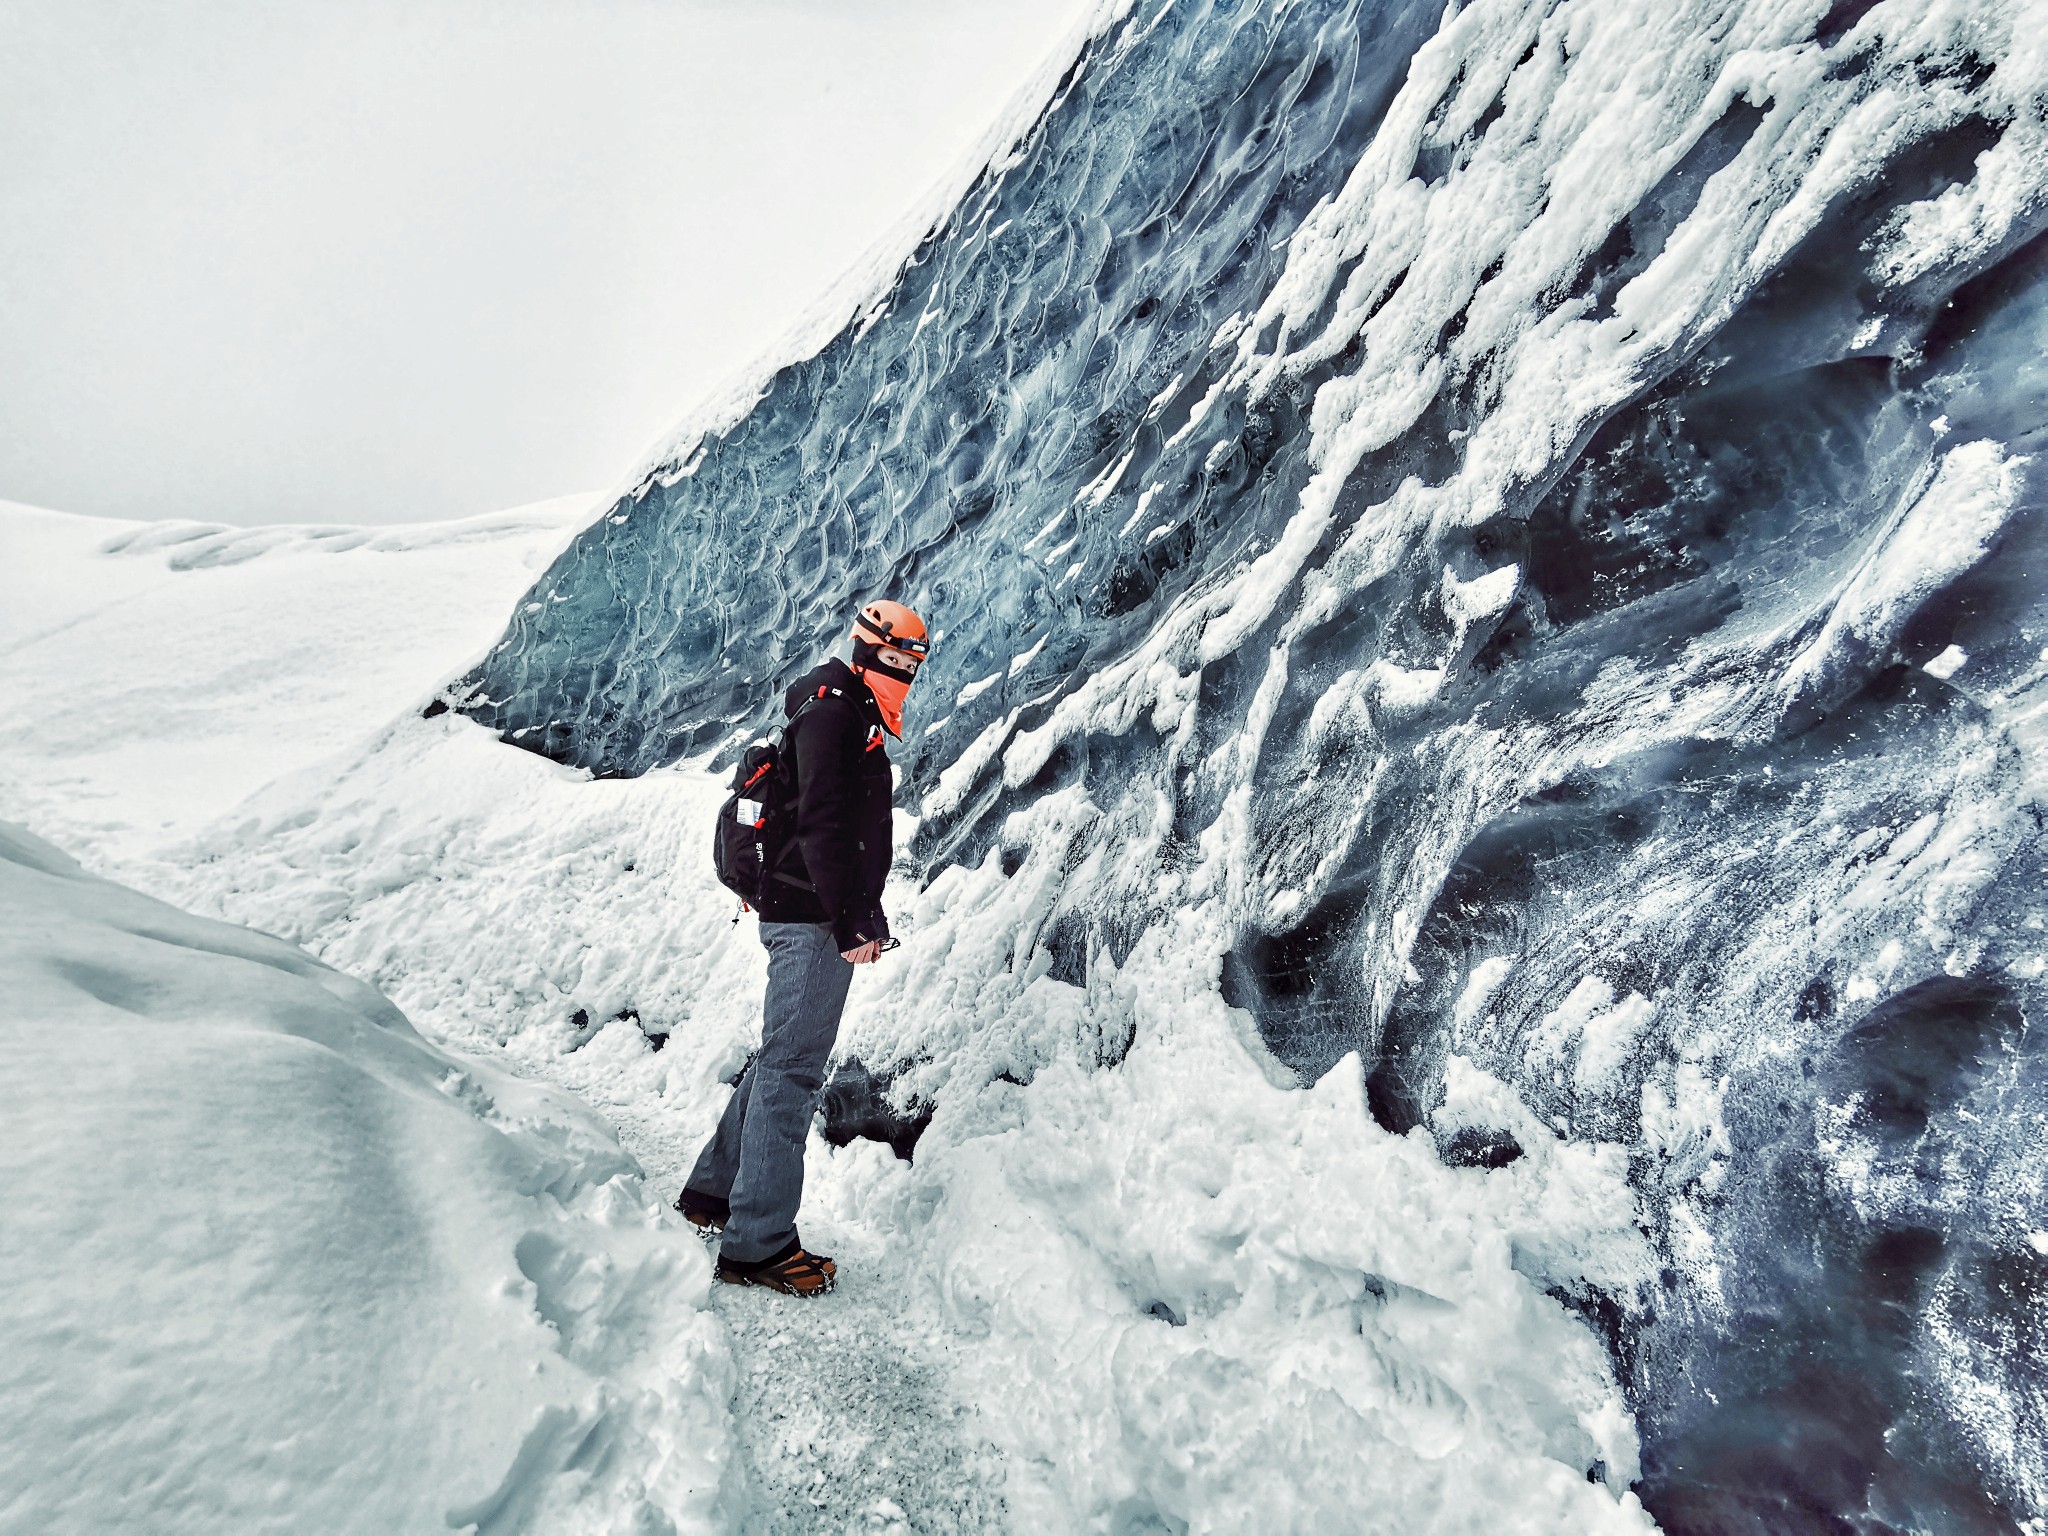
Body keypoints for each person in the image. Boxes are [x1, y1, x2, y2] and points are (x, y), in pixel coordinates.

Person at [674, 599, 929, 1295]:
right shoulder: (830, 712)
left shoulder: (845, 707)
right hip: (811, 918)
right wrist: (849, 925)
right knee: (792, 1075)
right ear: (871, 649)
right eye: (902, 658)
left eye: (916, 661)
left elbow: (843, 827)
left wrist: (861, 914)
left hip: (817, 911)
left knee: (777, 1061)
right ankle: (757, 1245)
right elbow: (822, 826)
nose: (909, 671)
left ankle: (712, 1195)